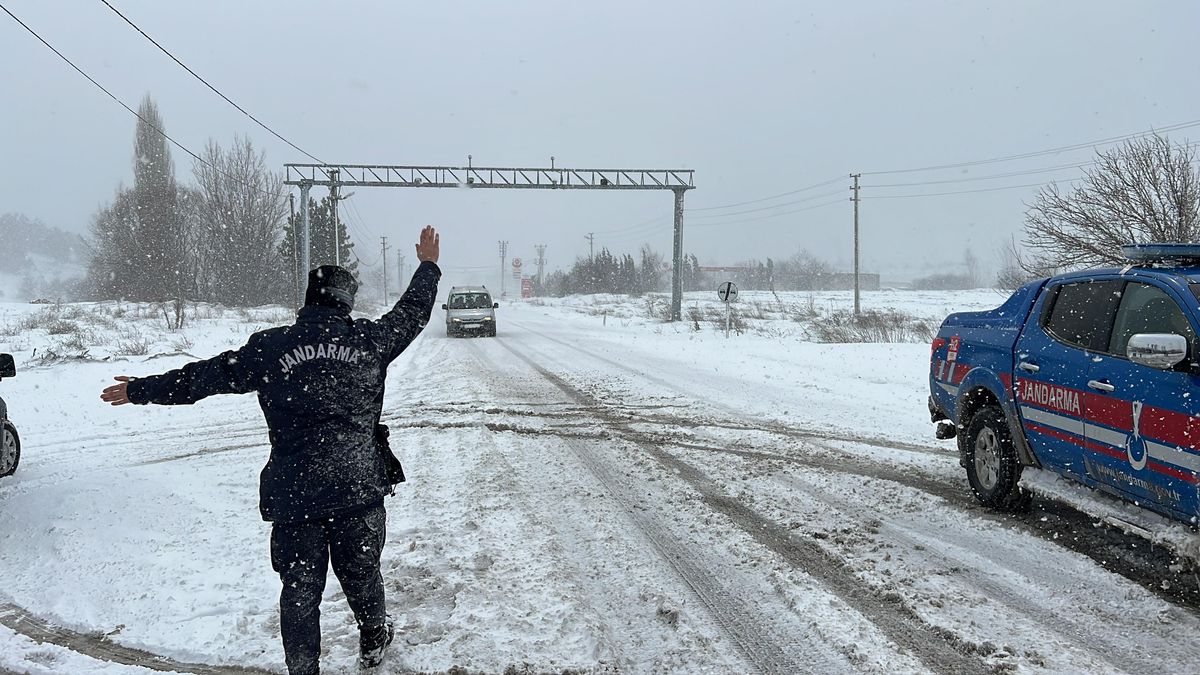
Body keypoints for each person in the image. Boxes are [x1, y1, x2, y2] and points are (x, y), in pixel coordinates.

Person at [100, 226, 442, 675]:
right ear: (346, 303)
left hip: (296, 494)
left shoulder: (270, 347)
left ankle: (303, 669)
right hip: (356, 487)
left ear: (309, 299)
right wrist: (428, 266)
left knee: (300, 591)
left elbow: (205, 378)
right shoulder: (369, 341)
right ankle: (374, 639)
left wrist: (143, 389)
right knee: (361, 575)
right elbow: (412, 313)